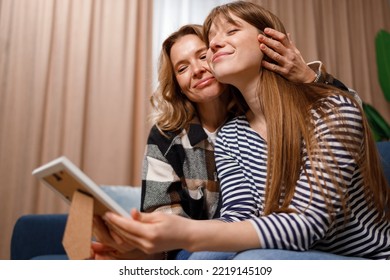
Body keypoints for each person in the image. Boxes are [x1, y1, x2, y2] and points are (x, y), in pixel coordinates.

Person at [92, 8, 371, 260]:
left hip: (349, 252)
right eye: (182, 67)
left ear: (271, 42)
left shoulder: (331, 109)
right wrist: (139, 248)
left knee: (250, 260)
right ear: (176, 84)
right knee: (206, 259)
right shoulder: (230, 135)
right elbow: (236, 218)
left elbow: (306, 221)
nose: (211, 50)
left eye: (204, 54)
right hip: (267, 246)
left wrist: (188, 233)